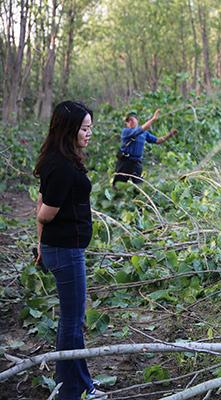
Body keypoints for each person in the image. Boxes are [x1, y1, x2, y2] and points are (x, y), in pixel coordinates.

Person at [33, 101, 106, 399]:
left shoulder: (57, 158)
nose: (89, 133)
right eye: (85, 128)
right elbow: (44, 213)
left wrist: (39, 245)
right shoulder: (61, 167)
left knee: (72, 321)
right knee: (72, 323)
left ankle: (80, 385)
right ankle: (71, 391)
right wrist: (43, 242)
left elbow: (39, 200)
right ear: (69, 130)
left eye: (90, 127)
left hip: (61, 249)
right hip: (65, 252)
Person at [113, 109, 176, 185]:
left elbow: (157, 141)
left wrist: (169, 135)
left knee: (139, 185)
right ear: (126, 123)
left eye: (133, 119)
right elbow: (141, 129)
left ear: (137, 120)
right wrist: (153, 119)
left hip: (136, 163)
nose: (131, 122)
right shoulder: (126, 131)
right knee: (119, 185)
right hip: (125, 161)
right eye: (129, 120)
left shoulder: (144, 133)